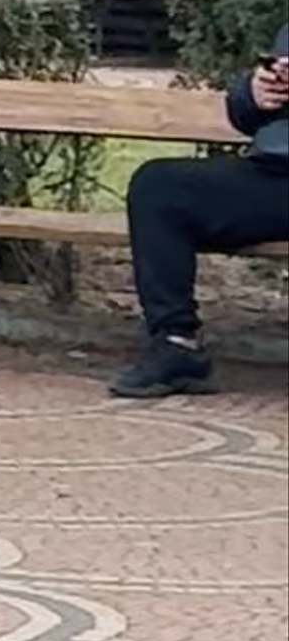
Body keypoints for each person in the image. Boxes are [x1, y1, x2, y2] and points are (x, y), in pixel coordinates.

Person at [113, 36, 289, 393]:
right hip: (274, 178)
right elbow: (244, 116)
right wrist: (254, 93)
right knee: (159, 187)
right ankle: (177, 346)